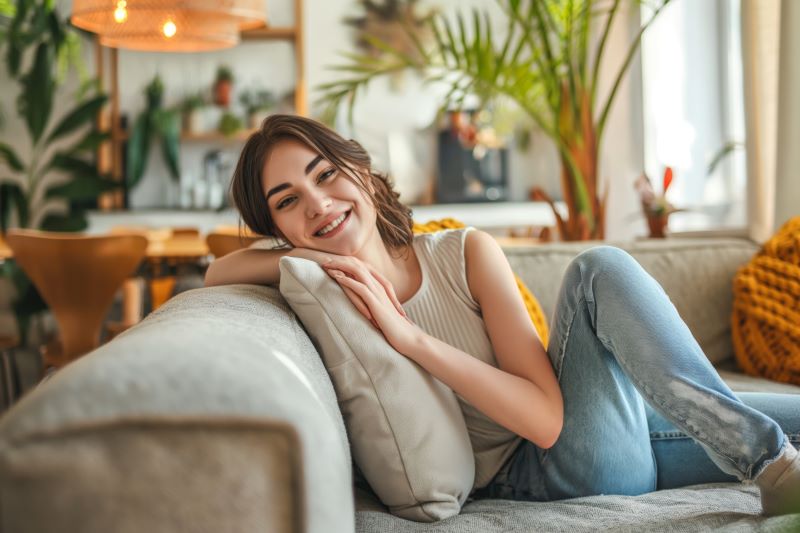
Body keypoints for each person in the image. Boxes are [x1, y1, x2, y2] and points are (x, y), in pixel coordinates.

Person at [205, 114, 800, 516]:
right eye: (288, 202)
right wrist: (402, 333)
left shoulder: (463, 253)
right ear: (277, 230)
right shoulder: (323, 287)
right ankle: (769, 463)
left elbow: (549, 407)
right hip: (549, 469)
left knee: (762, 415)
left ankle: (766, 457)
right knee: (597, 269)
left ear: (358, 170)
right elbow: (215, 275)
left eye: (325, 174)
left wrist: (403, 325)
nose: (318, 203)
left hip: (607, 433)